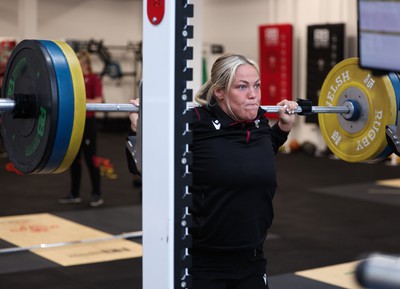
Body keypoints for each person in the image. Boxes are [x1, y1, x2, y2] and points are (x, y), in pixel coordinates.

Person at [128, 53, 298, 289]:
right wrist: (142, 131)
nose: (253, 94)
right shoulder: (194, 123)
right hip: (204, 262)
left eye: (256, 86)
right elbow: (148, 166)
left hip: (252, 256)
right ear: (219, 91)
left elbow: (261, 153)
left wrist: (282, 128)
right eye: (242, 87)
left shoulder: (259, 123)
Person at [59, 50, 104, 207]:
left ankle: (97, 194)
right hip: (75, 123)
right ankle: (74, 193)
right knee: (74, 159)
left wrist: (79, 100)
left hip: (89, 123)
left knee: (91, 160)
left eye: (78, 62)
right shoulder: (73, 80)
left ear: (84, 63)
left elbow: (98, 101)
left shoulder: (93, 78)